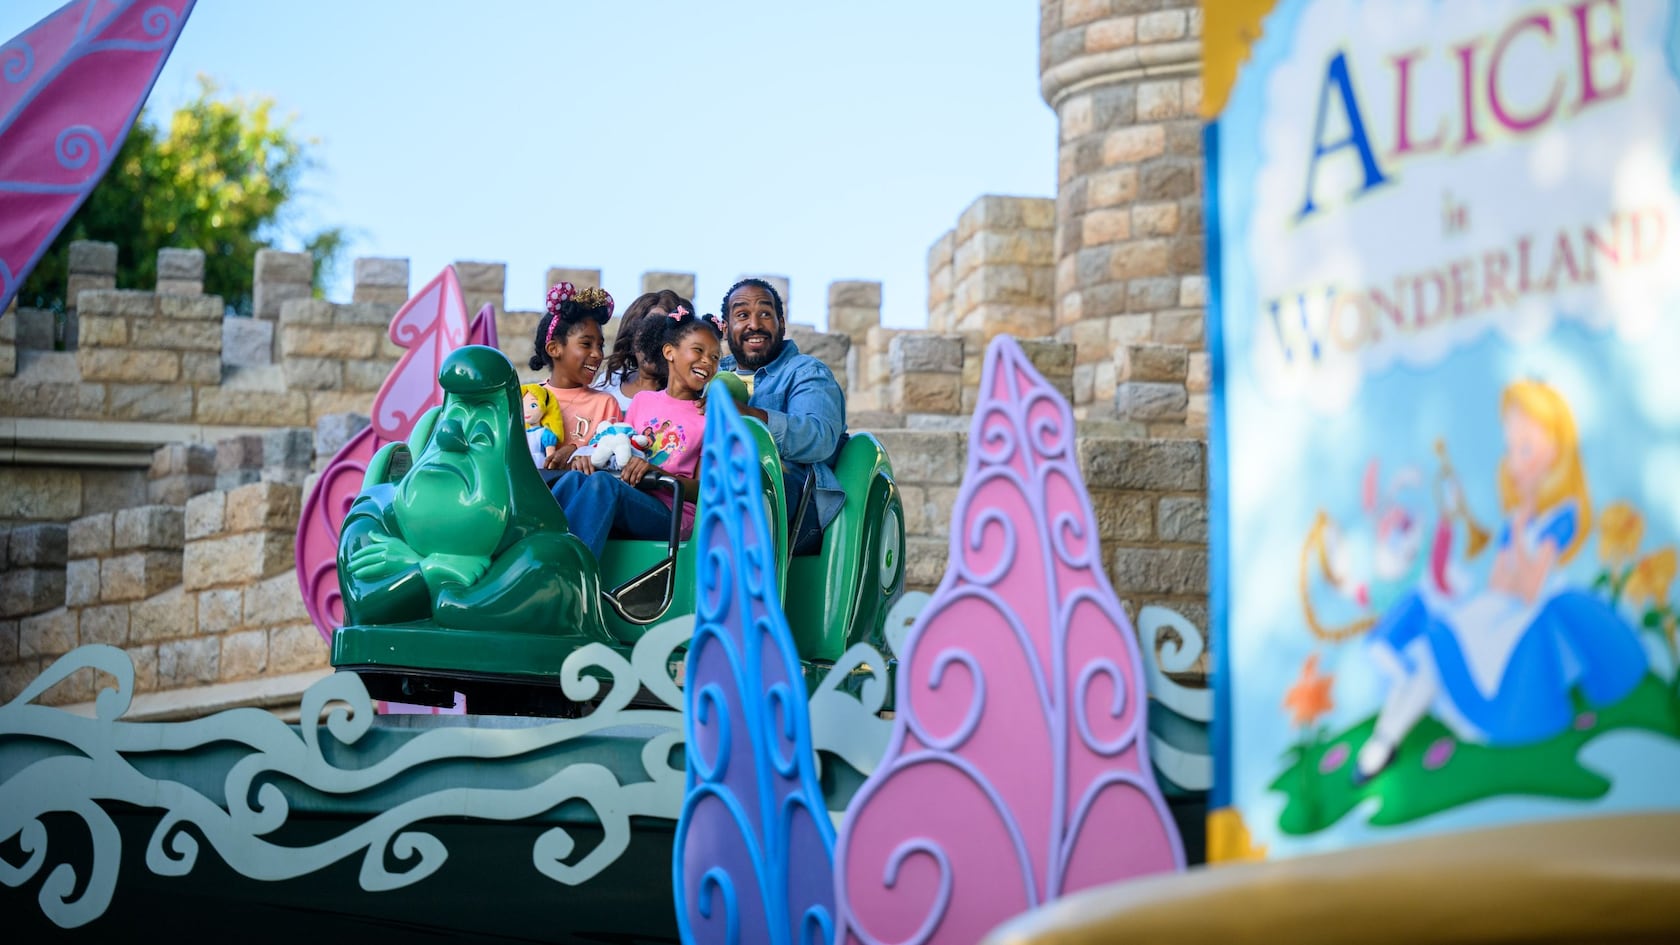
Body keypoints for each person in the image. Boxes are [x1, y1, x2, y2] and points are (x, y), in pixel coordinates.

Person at [1353, 379, 1647, 782]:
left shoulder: (1563, 513)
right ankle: (1386, 736)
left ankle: (1387, 740)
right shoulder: (1518, 519)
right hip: (1502, 607)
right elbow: (1499, 581)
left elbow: (1529, 587)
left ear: (1556, 448)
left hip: (1532, 614)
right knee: (1436, 643)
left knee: (1448, 650)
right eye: (1513, 449)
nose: (1515, 460)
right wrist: (1515, 528)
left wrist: (1523, 527)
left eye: (1526, 448)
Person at [549, 309, 723, 560]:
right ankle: (533, 552)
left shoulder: (709, 418)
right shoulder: (642, 401)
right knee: (574, 480)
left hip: (672, 514)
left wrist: (657, 473)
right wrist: (587, 458)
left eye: (715, 357)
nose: (707, 361)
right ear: (669, 352)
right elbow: (616, 445)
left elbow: (707, 490)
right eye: (698, 351)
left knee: (603, 485)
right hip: (630, 497)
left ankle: (568, 574)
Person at [717, 278, 847, 553]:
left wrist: (750, 416)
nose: (754, 324)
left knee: (747, 478)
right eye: (742, 315)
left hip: (796, 509)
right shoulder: (710, 376)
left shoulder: (806, 372)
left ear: (781, 323)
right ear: (726, 328)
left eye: (765, 313)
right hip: (713, 492)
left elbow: (820, 438)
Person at [528, 282, 622, 468]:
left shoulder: (605, 404)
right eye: (586, 344)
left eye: (600, 346)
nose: (597, 354)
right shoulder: (526, 397)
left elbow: (614, 455)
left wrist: (576, 449)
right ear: (554, 349)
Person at [596, 288, 694, 411]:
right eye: (648, 330)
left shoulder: (687, 397)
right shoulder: (609, 383)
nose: (653, 342)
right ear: (631, 337)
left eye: (661, 332)